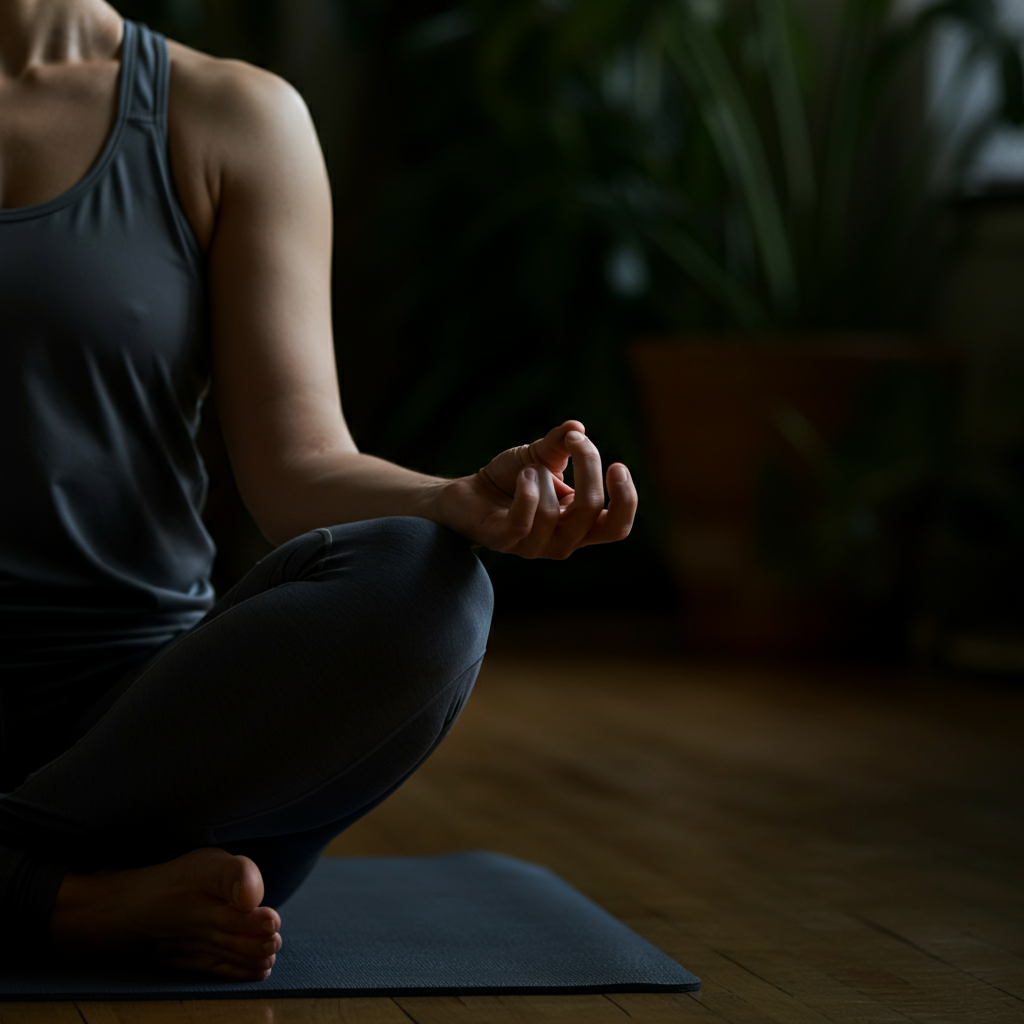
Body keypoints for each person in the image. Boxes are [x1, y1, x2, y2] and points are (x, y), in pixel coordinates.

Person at [0, 0, 637, 980]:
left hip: (145, 732)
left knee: (427, 583)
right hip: (131, 818)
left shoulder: (232, 117)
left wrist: (455, 499)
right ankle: (63, 897)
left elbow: (297, 465)